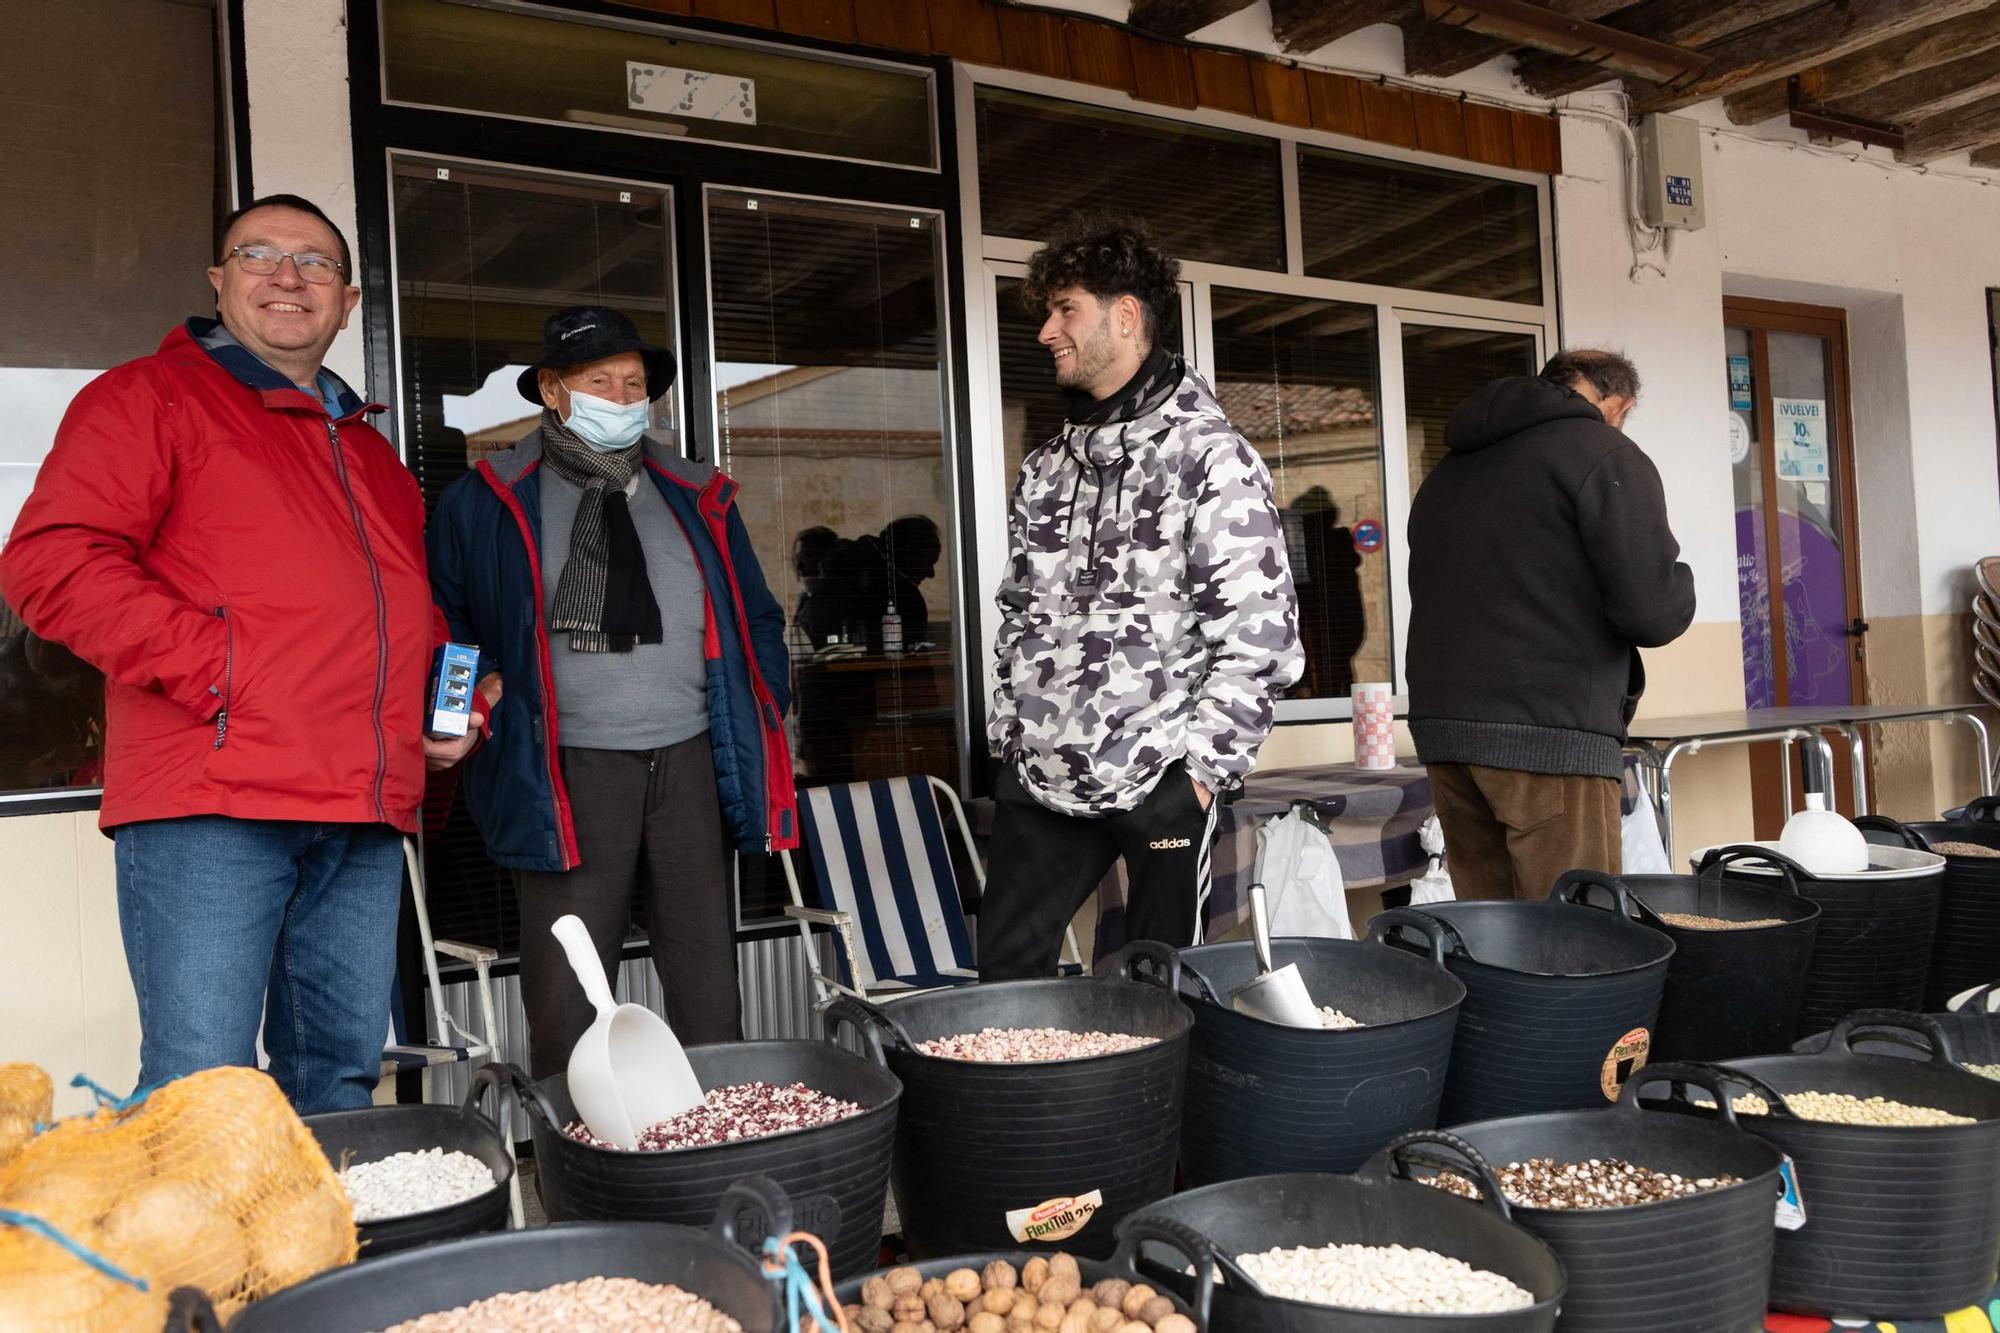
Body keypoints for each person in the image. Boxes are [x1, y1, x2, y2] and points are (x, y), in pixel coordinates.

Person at [0, 194, 470, 1112]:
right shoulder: (147, 397)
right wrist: (224, 667)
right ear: (220, 282)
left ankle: (334, 1260)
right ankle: (204, 1267)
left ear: (349, 301)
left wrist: (448, 702)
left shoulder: (372, 453)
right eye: (260, 253)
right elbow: (50, 562)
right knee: (203, 1088)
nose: (288, 276)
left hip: (359, 806)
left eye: (316, 264)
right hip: (215, 799)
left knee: (336, 1078)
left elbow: (405, 611)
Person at [427, 305, 795, 1077]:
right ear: (555, 391)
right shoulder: (489, 498)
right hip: (566, 770)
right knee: (567, 990)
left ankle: (714, 1152)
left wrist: (766, 705)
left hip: (692, 759)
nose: (624, 397)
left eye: (635, 383)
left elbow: (758, 616)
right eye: (601, 381)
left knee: (707, 984)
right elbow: (448, 626)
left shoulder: (699, 493)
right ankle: (580, 1164)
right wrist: (451, 716)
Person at [979, 215, 1303, 980]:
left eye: (1066, 310)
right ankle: (1035, 1106)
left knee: (1159, 994)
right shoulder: (1047, 468)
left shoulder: (1210, 455)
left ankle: (1149, 1106)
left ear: (1125, 317)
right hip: (1044, 773)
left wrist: (1196, 774)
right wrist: (1013, 736)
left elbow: (1259, 635)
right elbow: (1020, 611)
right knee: (1002, 984)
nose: (1046, 331)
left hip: (1160, 774)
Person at [1406, 348, 1695, 900]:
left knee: (1491, 935)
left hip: (1445, 729)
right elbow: (1651, 610)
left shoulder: (1450, 468)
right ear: (1619, 403)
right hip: (1549, 733)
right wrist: (1680, 580)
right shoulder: (1604, 454)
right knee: (1575, 939)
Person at [807, 515, 942, 650]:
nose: (931, 573)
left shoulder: (839, 574)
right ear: (911, 555)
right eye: (928, 562)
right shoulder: (903, 597)